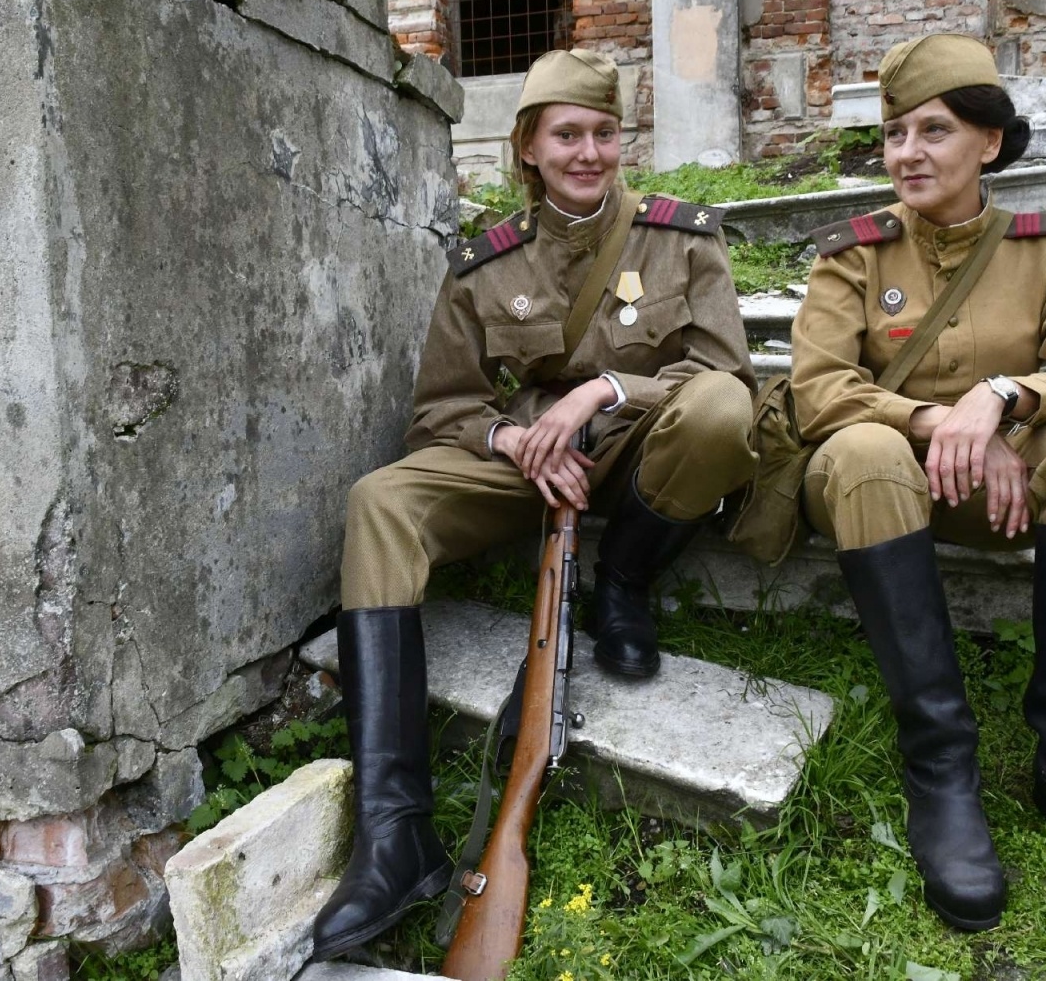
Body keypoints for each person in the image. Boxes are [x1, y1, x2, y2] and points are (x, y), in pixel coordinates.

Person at [311, 48, 758, 960]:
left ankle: (625, 581)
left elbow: (723, 373)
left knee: (720, 412)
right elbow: (442, 408)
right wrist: (511, 440)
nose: (587, 152)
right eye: (567, 135)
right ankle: (396, 831)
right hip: (531, 465)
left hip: (640, 441)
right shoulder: (485, 263)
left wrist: (600, 393)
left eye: (602, 133)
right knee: (378, 502)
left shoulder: (682, 239)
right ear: (528, 147)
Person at [791, 33, 1046, 931]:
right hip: (879, 488)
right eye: (894, 135)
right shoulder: (854, 256)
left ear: (989, 143)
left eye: (934, 130)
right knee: (869, 451)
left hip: (1002, 493)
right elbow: (818, 391)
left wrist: (1004, 400)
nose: (907, 153)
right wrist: (931, 420)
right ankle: (941, 764)